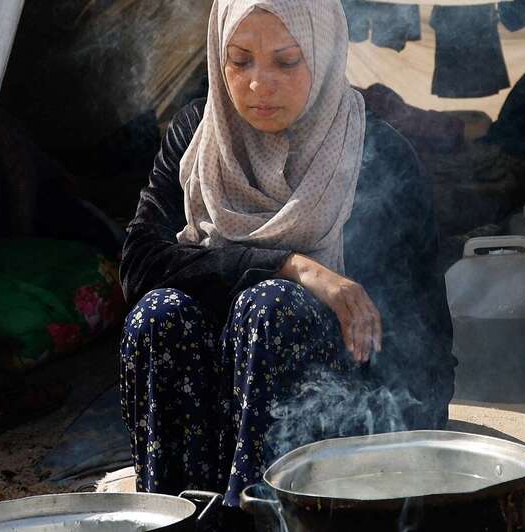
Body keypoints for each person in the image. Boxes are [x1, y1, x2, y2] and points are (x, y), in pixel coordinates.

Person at [119, 0, 455, 512]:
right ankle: (177, 513)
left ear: (322, 54)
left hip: (341, 418)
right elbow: (140, 263)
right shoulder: (198, 137)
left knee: (272, 308)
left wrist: (414, 448)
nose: (259, 84)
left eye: (286, 61)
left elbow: (421, 331)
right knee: (158, 315)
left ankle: (267, 517)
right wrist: (294, 265)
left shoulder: (374, 153)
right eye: (239, 60)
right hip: (210, 417)